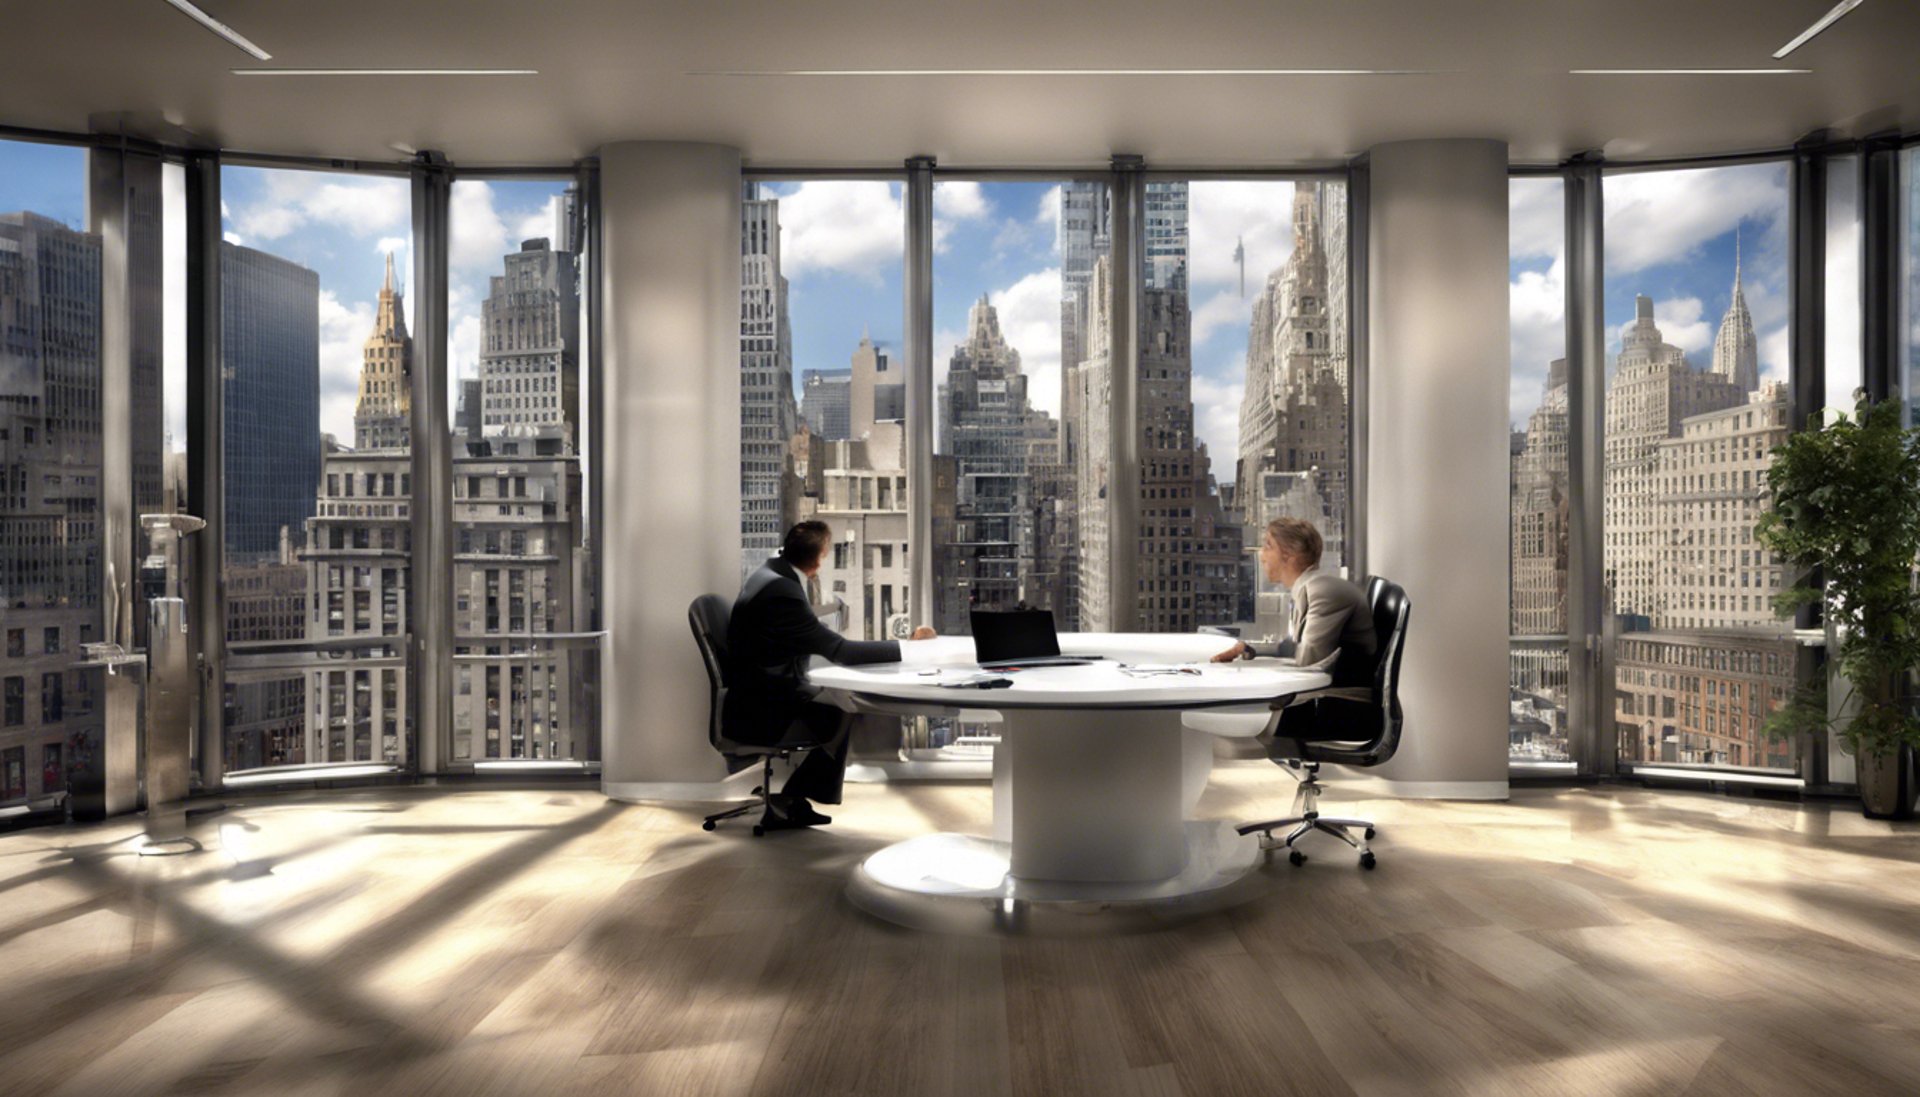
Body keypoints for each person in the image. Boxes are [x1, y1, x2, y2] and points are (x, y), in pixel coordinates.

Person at [725, 520, 935, 830]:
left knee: (837, 702)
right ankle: (794, 799)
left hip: (758, 687)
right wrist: (907, 646)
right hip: (762, 702)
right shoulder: (782, 591)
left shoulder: (773, 574)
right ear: (820, 558)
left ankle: (795, 798)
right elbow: (842, 652)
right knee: (842, 706)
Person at [1211, 517, 1378, 739]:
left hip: (1341, 707)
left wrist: (1260, 672)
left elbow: (1309, 661)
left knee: (1232, 719)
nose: (1261, 555)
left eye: (1268, 546)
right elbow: (1296, 649)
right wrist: (1249, 649)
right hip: (1328, 698)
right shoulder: (1312, 587)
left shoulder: (1323, 591)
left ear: (1289, 556)